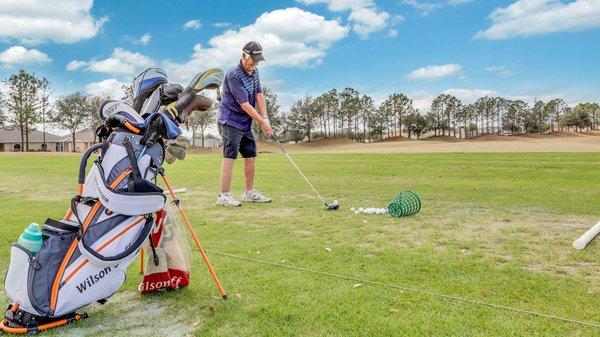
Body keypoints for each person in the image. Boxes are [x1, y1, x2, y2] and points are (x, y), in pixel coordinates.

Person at [216, 41, 273, 207]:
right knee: (230, 156)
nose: (254, 64)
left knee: (250, 155)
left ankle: (249, 193)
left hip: (245, 122)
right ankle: (223, 196)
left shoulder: (255, 72)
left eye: (257, 61)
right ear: (243, 56)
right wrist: (262, 123)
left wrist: (266, 118)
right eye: (252, 60)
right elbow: (245, 104)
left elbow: (259, 95)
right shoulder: (234, 75)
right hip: (230, 120)